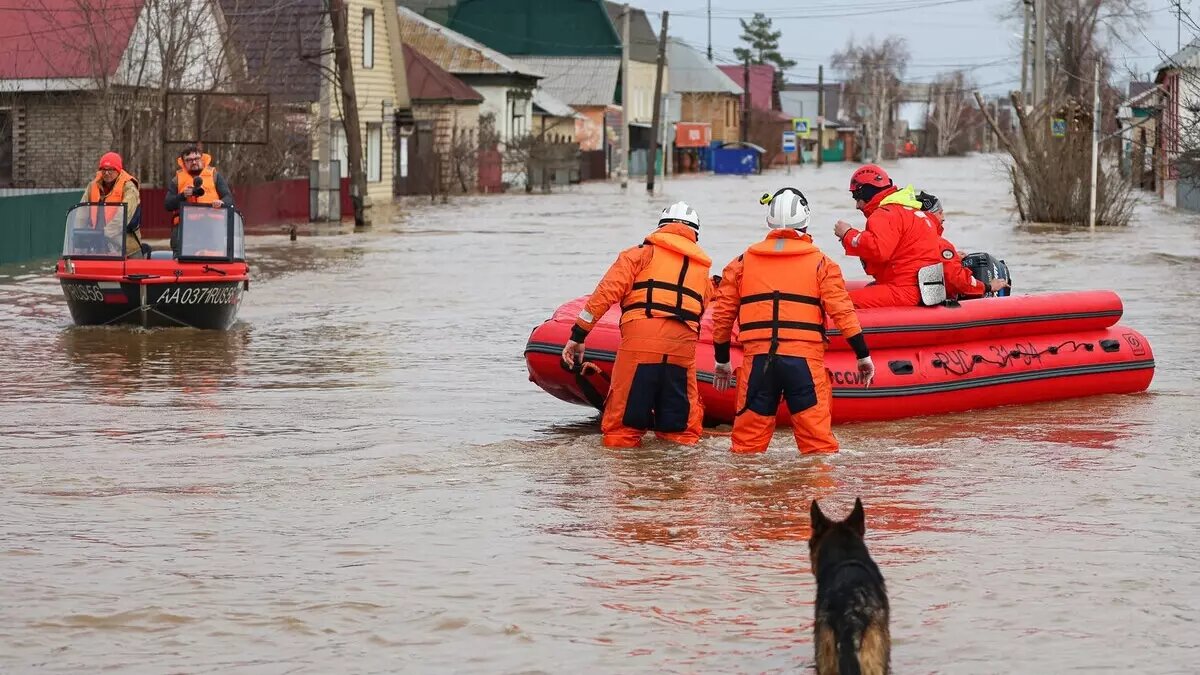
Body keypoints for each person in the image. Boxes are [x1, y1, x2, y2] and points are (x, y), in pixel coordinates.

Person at [710, 188, 874, 454]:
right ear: (806, 220)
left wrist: (721, 361)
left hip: (759, 362)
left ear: (770, 221)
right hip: (804, 363)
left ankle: (747, 494)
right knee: (817, 448)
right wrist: (862, 355)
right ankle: (814, 495)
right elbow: (842, 311)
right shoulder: (822, 263)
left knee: (746, 448)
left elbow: (723, 314)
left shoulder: (742, 262)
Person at [561, 202, 714, 448]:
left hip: (639, 347)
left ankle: (627, 481)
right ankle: (679, 484)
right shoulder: (702, 272)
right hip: (681, 352)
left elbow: (605, 294)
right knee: (681, 432)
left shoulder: (639, 255)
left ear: (660, 228)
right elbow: (702, 310)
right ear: (695, 234)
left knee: (622, 428)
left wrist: (578, 334)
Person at [832, 164, 944, 308]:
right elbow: (878, 265)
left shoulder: (885, 214)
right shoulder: (915, 213)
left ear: (866, 192)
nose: (857, 206)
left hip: (904, 291)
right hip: (925, 291)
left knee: (837, 304)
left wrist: (848, 234)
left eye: (856, 197)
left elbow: (878, 251)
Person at [914, 190, 1009, 299]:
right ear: (929, 215)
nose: (943, 218)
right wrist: (988, 287)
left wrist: (952, 258)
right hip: (926, 303)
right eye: (940, 213)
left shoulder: (908, 240)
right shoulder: (939, 244)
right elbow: (956, 280)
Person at [165, 145, 234, 256]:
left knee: (215, 261)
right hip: (185, 230)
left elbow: (229, 198)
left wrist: (222, 203)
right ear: (183, 162)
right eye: (189, 160)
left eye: (197, 159)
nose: (194, 162)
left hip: (212, 228)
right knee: (181, 261)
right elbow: (168, 204)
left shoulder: (214, 175)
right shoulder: (177, 179)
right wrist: (183, 196)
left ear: (202, 159)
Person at [81, 151, 142, 257]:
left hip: (126, 247)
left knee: (136, 271)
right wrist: (78, 237)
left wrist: (105, 234)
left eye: (111, 169)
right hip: (97, 247)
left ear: (118, 170)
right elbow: (81, 213)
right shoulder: (92, 186)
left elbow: (123, 215)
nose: (106, 173)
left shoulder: (129, 188)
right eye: (103, 169)